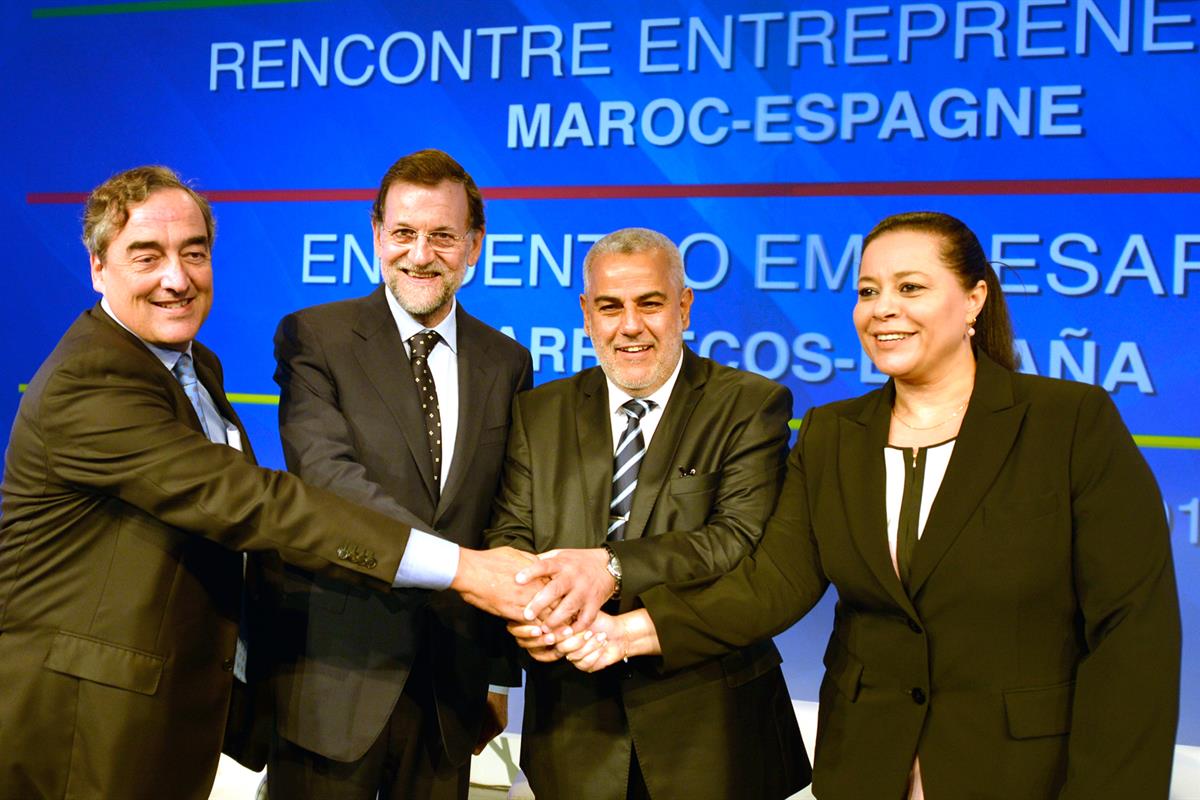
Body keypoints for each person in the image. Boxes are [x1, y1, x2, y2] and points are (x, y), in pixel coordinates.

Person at [559, 211, 1182, 799]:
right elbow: (770, 584)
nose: (882, 309)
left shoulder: (1069, 424)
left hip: (1022, 771)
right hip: (865, 766)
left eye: (910, 288)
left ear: (974, 299)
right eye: (867, 291)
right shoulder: (832, 435)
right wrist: (626, 633)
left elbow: (1134, 634)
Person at [0, 165, 536, 800]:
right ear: (97, 268)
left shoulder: (193, 363)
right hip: (85, 717)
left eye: (193, 253)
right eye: (147, 256)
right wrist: (466, 570)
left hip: (173, 701)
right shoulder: (91, 382)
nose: (177, 278)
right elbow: (257, 503)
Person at [487, 227, 810, 800]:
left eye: (650, 303)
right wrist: (532, 614)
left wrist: (609, 566)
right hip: (571, 729)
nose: (629, 326)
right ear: (587, 315)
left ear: (683, 307)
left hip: (710, 734)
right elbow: (510, 535)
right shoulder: (539, 412)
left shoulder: (750, 405)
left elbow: (735, 542)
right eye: (610, 307)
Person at [262, 149, 533, 800]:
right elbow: (330, 481)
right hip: (334, 678)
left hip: (449, 695)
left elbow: (507, 517)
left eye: (442, 235)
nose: (421, 253)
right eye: (404, 233)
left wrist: (496, 678)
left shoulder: (507, 363)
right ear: (376, 234)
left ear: (474, 244)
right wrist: (458, 567)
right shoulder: (313, 337)